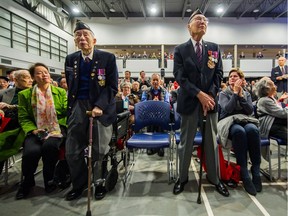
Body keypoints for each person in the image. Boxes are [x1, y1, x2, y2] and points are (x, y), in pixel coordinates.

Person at [172, 9, 229, 197]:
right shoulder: (180, 49)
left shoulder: (214, 48)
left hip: (210, 103)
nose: (202, 21)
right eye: (198, 19)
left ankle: (215, 178)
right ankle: (182, 179)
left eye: (205, 19)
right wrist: (199, 95)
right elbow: (180, 77)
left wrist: (209, 96)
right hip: (189, 102)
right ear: (189, 26)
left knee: (212, 143)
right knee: (186, 143)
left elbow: (218, 74)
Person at [65, 21, 118, 201]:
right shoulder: (70, 59)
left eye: (85, 34)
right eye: (78, 35)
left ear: (94, 39)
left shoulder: (108, 58)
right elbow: (71, 87)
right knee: (72, 150)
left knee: (99, 150)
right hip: (77, 106)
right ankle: (78, 185)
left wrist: (99, 106)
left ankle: (99, 183)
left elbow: (112, 87)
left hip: (100, 107)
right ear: (74, 40)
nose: (81, 38)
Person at [16, 63, 67, 199]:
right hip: (36, 130)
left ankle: (49, 180)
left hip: (56, 129)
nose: (44, 74)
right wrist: (32, 130)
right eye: (39, 73)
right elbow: (23, 117)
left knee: (50, 147)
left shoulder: (60, 92)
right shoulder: (24, 95)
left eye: (46, 72)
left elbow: (67, 112)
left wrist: (58, 126)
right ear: (33, 77)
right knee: (31, 152)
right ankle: (27, 182)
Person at [218, 68, 262, 196]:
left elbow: (249, 111)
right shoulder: (223, 93)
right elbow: (228, 109)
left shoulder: (247, 93)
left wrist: (242, 96)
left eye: (235, 76)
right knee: (239, 132)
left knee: (253, 130)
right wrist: (235, 94)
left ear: (241, 80)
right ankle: (243, 171)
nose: (232, 78)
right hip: (228, 122)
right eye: (230, 76)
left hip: (245, 119)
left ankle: (255, 169)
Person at [0, 70, 33, 176]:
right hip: (5, 124)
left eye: (30, 77)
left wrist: (12, 107)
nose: (30, 80)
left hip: (25, 127)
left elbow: (33, 110)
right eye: (25, 77)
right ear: (15, 80)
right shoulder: (4, 93)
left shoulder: (35, 93)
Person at [141, 73, 170, 157]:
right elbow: (143, 103)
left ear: (160, 81)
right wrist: (152, 103)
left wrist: (159, 104)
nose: (155, 82)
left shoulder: (165, 91)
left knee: (161, 126)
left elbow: (167, 103)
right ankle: (150, 147)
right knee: (150, 126)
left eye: (157, 80)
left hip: (161, 115)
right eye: (154, 80)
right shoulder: (146, 91)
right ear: (151, 81)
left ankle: (161, 147)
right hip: (150, 115)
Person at [255, 77, 287, 143]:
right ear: (267, 89)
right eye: (272, 84)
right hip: (270, 126)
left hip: (276, 124)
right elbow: (282, 113)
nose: (275, 86)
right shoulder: (264, 100)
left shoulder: (270, 98)